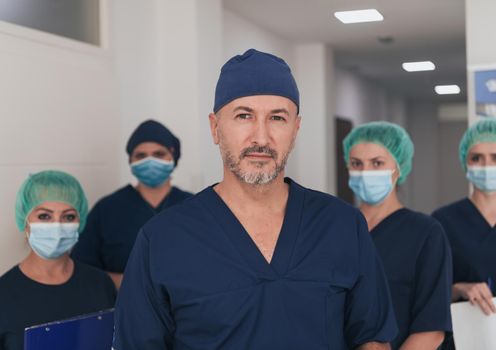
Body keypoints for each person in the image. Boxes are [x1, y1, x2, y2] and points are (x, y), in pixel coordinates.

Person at [113, 49, 397, 349]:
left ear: (295, 129)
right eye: (244, 116)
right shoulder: (162, 240)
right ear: (215, 128)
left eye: (277, 117)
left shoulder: (342, 225)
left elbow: (372, 340)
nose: (261, 138)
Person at [343, 122, 452, 350]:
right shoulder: (336, 228)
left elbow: (431, 330)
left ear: (399, 167)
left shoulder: (426, 233)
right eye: (356, 164)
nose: (365, 172)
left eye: (377, 163)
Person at [0, 170, 116, 350]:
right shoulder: (4, 294)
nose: (57, 225)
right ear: (25, 221)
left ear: (80, 220)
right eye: (44, 216)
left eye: (68, 216)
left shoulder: (100, 284)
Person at [432, 118, 496, 347]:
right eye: (476, 158)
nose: (486, 165)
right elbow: (427, 294)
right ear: (465, 162)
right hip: (464, 339)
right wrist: (458, 288)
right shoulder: (442, 221)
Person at [72, 119, 192, 288]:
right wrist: (132, 285)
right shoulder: (107, 209)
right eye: (141, 156)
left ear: (173, 156)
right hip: (123, 307)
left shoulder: (192, 207)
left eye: (159, 154)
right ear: (131, 161)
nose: (150, 161)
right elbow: (82, 267)